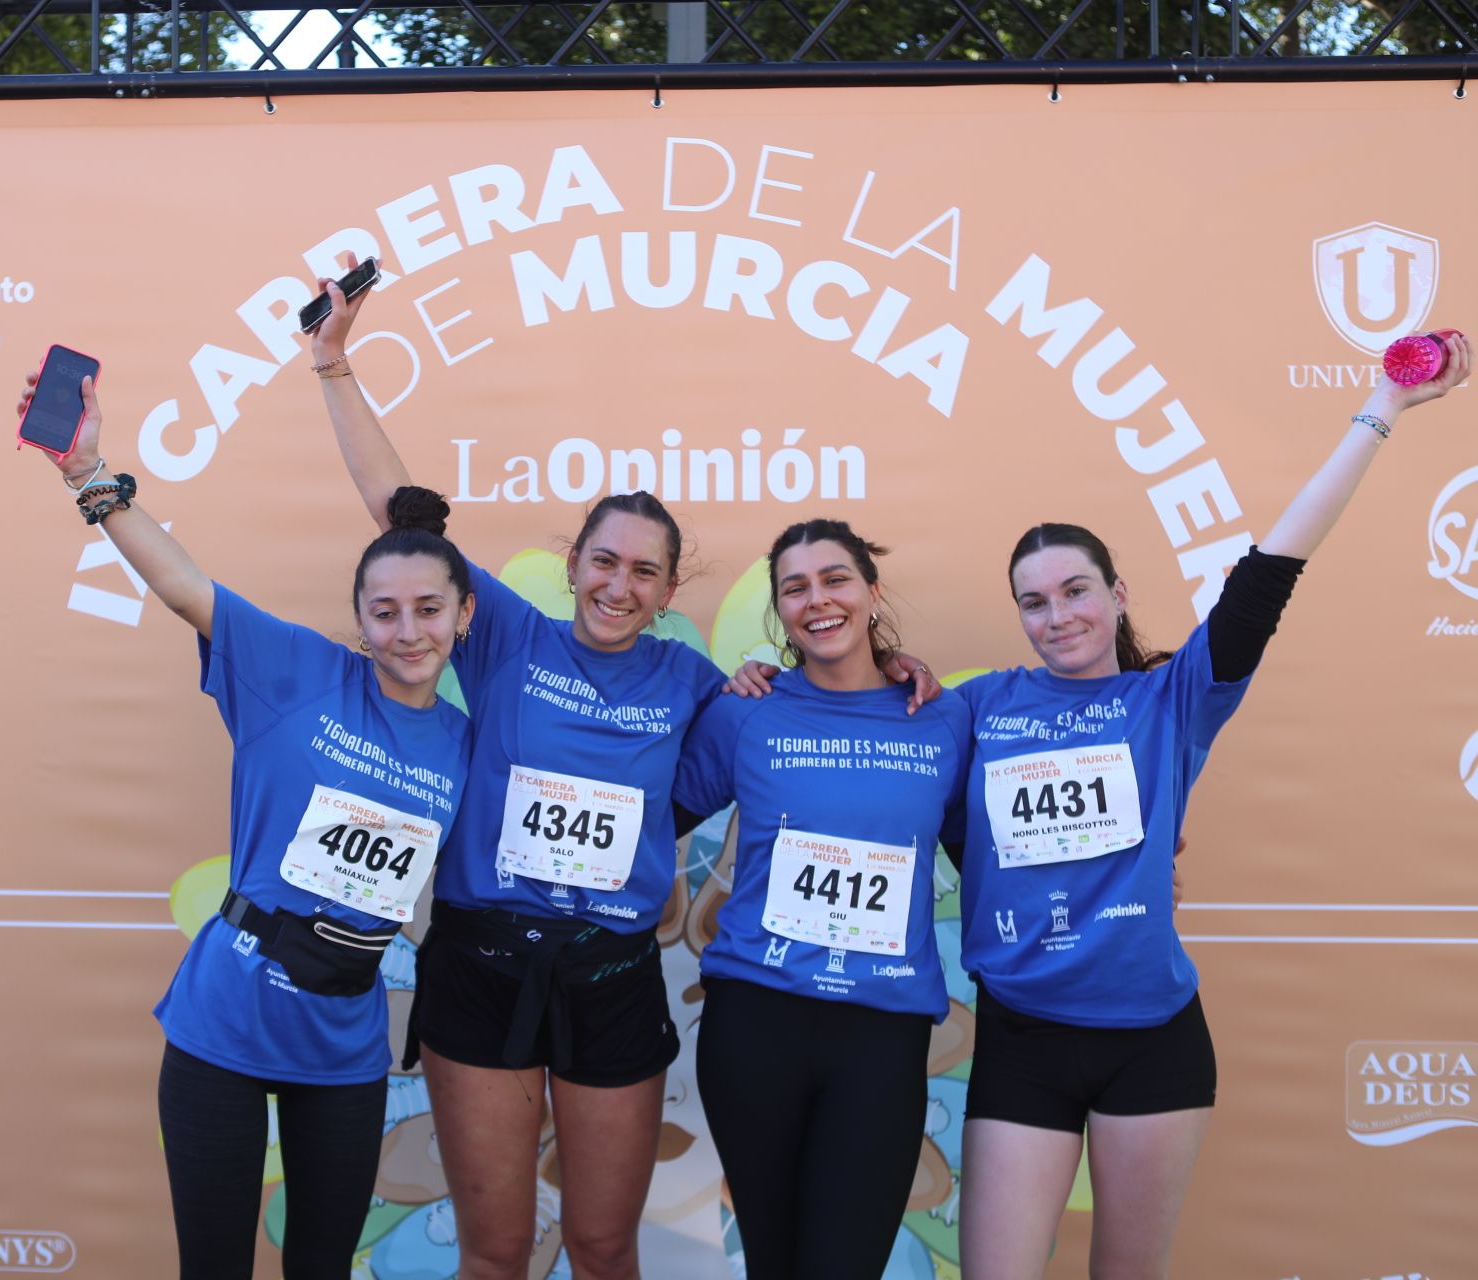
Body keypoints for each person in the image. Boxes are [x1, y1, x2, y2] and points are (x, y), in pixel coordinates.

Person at [307, 256, 942, 1280]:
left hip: (610, 976)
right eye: (604, 560)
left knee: (605, 1245)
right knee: (497, 1249)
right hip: (483, 965)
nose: (619, 582)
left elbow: (806, 717)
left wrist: (896, 665)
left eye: (644, 569)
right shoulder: (506, 633)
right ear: (575, 566)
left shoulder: (698, 682)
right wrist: (334, 367)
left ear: (667, 586)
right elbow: (406, 519)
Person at [949, 335, 1470, 1278]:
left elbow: (1274, 566)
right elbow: (879, 754)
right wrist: (760, 680)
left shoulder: (1175, 698)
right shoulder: (981, 703)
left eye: (1075, 591)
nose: (1056, 616)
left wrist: (1381, 411)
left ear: (1116, 595)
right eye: (1033, 603)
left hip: (1153, 1044)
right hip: (1021, 1039)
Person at [16, 370, 476, 1280]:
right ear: (359, 622)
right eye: (384, 612)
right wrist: (88, 473)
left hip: (342, 1044)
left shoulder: (468, 743)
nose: (408, 632)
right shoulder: (296, 672)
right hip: (223, 1022)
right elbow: (183, 582)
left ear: (464, 616)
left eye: (430, 610)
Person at [672, 519, 972, 1280]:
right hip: (757, 1025)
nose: (818, 600)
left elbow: (990, 857)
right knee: (775, 1263)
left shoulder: (943, 717)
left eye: (835, 579)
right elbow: (654, 818)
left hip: (881, 1036)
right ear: (780, 611)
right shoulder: (747, 711)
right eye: (795, 588)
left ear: (872, 592)